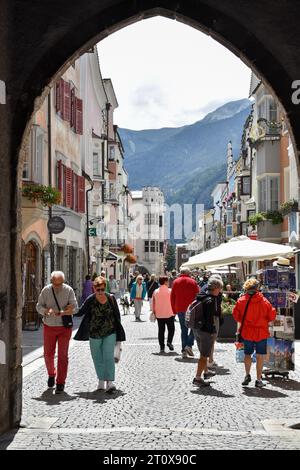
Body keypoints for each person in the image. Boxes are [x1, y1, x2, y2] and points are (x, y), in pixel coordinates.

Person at [74, 276, 126, 392]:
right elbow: (80, 312)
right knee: (97, 358)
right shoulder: (90, 299)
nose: (101, 292)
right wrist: (68, 311)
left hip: (110, 331)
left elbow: (117, 316)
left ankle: (110, 382)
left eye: (102, 289)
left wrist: (119, 334)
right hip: (94, 333)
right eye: (98, 290)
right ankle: (101, 380)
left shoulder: (111, 298)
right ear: (94, 289)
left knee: (108, 357)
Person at [36, 271, 78, 394]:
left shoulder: (69, 290)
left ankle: (60, 382)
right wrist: (46, 311)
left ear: (63, 282)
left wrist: (64, 312)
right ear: (51, 282)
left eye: (60, 284)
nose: (57, 287)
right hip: (49, 325)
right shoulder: (46, 291)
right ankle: (51, 373)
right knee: (48, 354)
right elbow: (38, 306)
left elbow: (75, 308)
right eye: (55, 284)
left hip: (64, 327)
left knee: (63, 356)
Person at [232, 278, 276, 388]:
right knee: (260, 355)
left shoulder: (241, 300)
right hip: (261, 332)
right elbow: (271, 316)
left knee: (247, 354)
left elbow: (236, 316)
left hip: (247, 331)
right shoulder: (264, 301)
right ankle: (259, 379)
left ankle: (247, 375)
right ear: (257, 288)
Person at [192, 277, 224, 387]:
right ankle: (197, 378)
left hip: (197, 329)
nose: (220, 291)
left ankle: (205, 373)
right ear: (215, 288)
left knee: (202, 354)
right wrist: (212, 332)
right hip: (205, 331)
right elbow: (209, 320)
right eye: (219, 288)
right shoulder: (210, 301)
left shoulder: (202, 296)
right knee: (204, 356)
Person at [170, 267, 199, 358]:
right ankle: (189, 345)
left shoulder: (176, 282)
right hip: (192, 309)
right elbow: (198, 295)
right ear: (188, 273)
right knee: (194, 327)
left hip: (180, 308)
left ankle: (184, 350)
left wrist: (173, 310)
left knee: (184, 329)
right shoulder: (193, 282)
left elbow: (172, 297)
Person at [152, 276, 175, 353]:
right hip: (169, 313)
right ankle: (169, 341)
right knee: (171, 329)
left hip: (159, 314)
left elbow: (153, 303)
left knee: (161, 331)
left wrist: (153, 311)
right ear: (165, 282)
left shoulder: (155, 291)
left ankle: (162, 347)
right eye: (168, 281)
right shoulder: (170, 291)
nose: (168, 283)